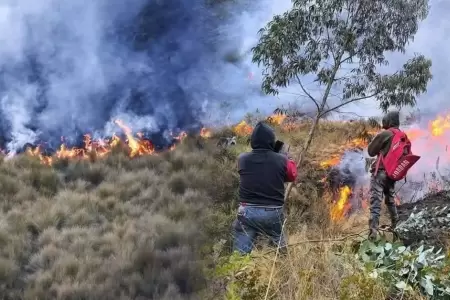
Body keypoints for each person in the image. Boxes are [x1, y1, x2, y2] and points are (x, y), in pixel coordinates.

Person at [232, 121, 297, 254]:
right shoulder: (281, 160)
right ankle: (282, 266)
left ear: (253, 141)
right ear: (271, 141)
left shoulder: (242, 159)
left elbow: (251, 172)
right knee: (280, 250)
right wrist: (284, 156)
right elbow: (292, 176)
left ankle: (238, 271)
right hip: (273, 212)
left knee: (239, 255)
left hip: (247, 212)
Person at [367, 111, 400, 240]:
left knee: (376, 203)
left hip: (380, 173)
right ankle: (397, 228)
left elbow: (371, 151)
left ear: (389, 121)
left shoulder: (386, 134)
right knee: (390, 201)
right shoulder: (402, 135)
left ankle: (372, 236)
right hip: (392, 174)